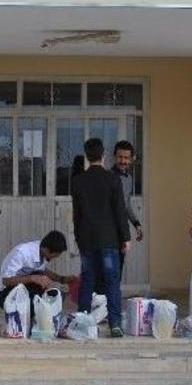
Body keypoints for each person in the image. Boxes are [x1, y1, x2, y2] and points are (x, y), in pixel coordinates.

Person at [71, 138, 131, 338]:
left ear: (87, 156)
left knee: (87, 279)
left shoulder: (78, 181)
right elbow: (120, 211)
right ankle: (115, 324)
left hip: (87, 239)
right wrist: (126, 237)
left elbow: (76, 214)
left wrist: (78, 237)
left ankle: (82, 321)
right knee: (112, 281)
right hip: (109, 240)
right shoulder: (113, 180)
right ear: (103, 154)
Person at [0, 231, 77, 317]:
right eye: (54, 256)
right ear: (47, 250)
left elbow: (42, 270)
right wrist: (33, 278)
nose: (54, 258)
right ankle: (27, 319)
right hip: (5, 293)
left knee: (55, 295)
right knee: (38, 302)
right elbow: (6, 281)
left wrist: (62, 279)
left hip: (24, 287)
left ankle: (42, 320)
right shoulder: (22, 252)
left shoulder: (41, 250)